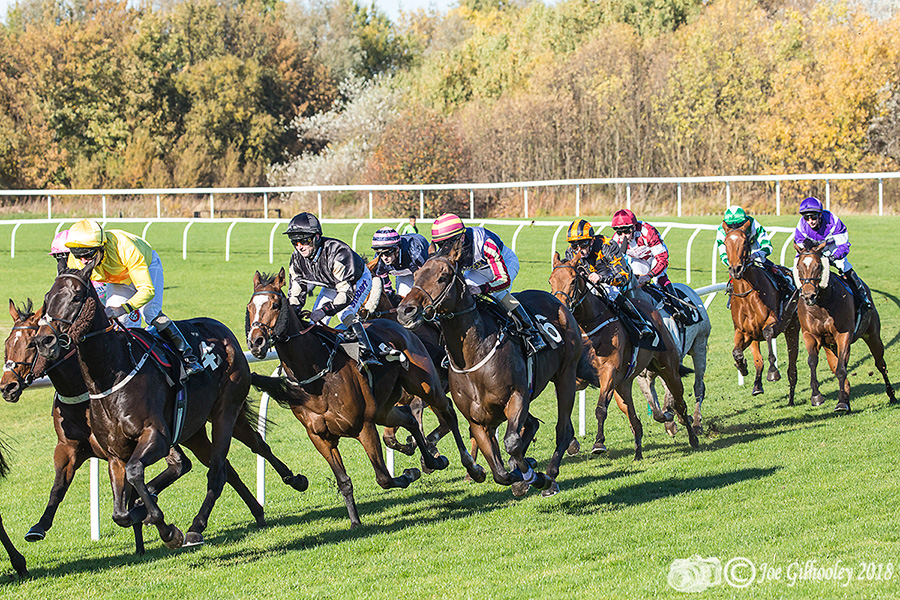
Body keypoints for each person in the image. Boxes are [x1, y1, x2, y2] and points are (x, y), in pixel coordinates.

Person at [65, 219, 202, 376]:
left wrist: (123, 308)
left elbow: (147, 290)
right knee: (117, 321)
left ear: (101, 247)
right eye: (78, 255)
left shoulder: (125, 247)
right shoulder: (76, 258)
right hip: (117, 279)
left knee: (151, 313)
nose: (83, 261)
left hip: (147, 268)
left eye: (88, 255)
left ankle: (189, 358)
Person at [430, 213, 546, 355]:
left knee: (498, 293)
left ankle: (531, 331)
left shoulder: (485, 243)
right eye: (440, 245)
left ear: (460, 237)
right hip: (477, 269)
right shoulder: (449, 248)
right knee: (461, 293)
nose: (444, 249)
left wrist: (482, 289)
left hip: (504, 263)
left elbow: (503, 280)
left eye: (447, 244)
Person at [284, 212, 380, 367]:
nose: (299, 246)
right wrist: (291, 313)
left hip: (356, 280)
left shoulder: (338, 253)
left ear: (315, 237)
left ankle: (368, 352)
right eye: (294, 242)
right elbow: (296, 293)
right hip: (331, 284)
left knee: (344, 313)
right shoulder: (296, 259)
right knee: (315, 321)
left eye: (303, 240)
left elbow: (346, 294)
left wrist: (325, 310)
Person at [564, 219, 654, 340]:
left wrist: (602, 278)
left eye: (583, 244)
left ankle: (640, 323)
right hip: (587, 280)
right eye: (575, 245)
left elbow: (623, 277)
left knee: (611, 293)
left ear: (591, 241)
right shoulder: (570, 251)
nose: (579, 249)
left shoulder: (607, 245)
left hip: (610, 278)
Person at [794, 196, 871, 310]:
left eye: (813, 216)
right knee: (798, 268)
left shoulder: (833, 221)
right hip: (814, 251)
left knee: (844, 265)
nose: (810, 221)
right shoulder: (801, 225)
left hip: (833, 249)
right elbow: (800, 249)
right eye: (806, 217)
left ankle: (862, 295)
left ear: (820, 214)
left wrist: (833, 257)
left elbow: (844, 246)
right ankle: (794, 302)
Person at [716, 205, 795, 298]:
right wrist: (731, 262)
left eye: (739, 224)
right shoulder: (721, 230)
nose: (735, 228)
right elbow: (722, 254)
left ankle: (787, 285)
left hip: (755, 248)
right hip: (735, 254)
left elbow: (767, 246)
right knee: (733, 273)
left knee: (765, 265)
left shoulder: (753, 224)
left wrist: (755, 255)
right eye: (731, 225)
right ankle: (731, 296)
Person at [370, 227, 429, 301]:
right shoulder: (379, 261)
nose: (384, 258)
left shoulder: (415, 253)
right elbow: (386, 288)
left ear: (397, 249)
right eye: (380, 253)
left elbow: (427, 278)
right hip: (404, 268)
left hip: (420, 262)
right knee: (404, 298)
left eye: (387, 253)